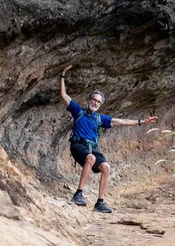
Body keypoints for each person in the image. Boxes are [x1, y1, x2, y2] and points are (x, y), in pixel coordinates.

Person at [59, 65, 158, 213]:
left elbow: (120, 121)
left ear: (100, 105)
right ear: (89, 100)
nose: (95, 103)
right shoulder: (78, 111)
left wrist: (141, 122)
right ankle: (78, 194)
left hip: (92, 147)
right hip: (78, 145)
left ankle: (100, 203)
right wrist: (62, 76)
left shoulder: (100, 119)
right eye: (94, 100)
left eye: (98, 102)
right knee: (91, 158)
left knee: (106, 167)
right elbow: (64, 95)